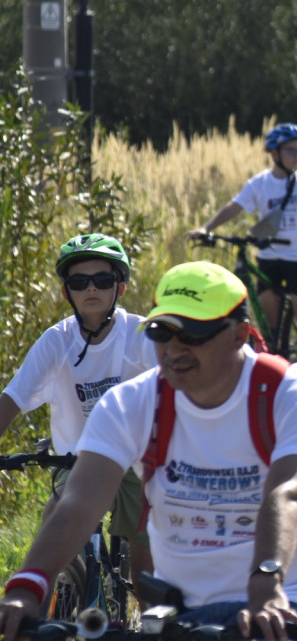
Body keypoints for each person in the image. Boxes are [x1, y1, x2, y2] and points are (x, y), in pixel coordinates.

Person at [0, 261, 297, 641]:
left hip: (284, 598)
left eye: (194, 335)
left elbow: (286, 494)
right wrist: (26, 588)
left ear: (239, 335)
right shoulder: (130, 403)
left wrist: (265, 583)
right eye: (162, 333)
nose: (174, 349)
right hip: (181, 609)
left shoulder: (288, 393)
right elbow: (80, 503)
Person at [0, 234, 157, 580]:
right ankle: (35, 618)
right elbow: (13, 396)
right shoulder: (57, 340)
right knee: (53, 528)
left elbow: (176, 389)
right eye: (79, 281)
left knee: (145, 570)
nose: (92, 289)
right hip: (80, 461)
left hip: (138, 461)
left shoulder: (141, 333)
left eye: (103, 280)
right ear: (65, 291)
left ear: (122, 288)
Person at [186, 123, 297, 391]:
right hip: (271, 257)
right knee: (267, 313)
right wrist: (206, 228)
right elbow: (235, 206)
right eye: (292, 151)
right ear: (274, 153)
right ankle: (273, 373)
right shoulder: (261, 184)